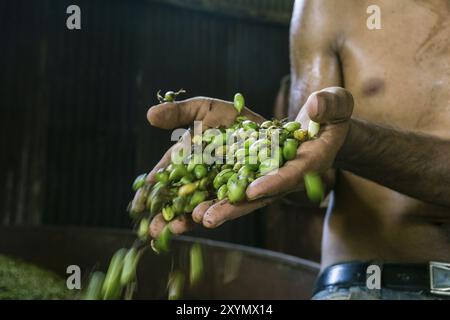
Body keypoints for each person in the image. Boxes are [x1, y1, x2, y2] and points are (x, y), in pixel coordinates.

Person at [145, 0, 450, 300]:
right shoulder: (330, 5)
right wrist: (271, 155)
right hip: (362, 285)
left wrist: (351, 142)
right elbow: (312, 171)